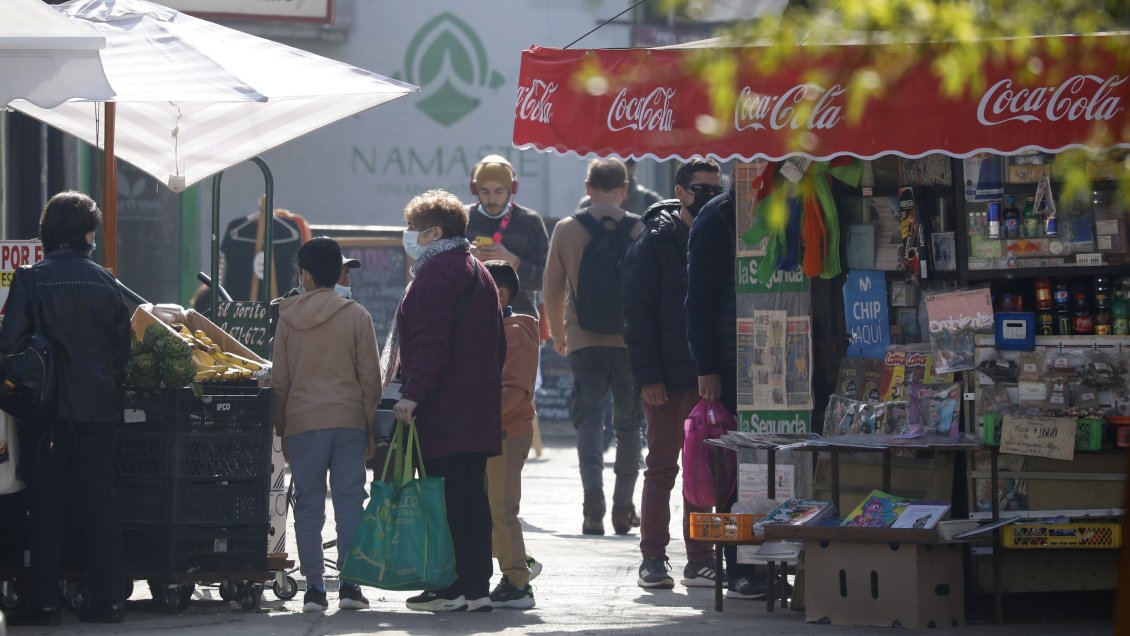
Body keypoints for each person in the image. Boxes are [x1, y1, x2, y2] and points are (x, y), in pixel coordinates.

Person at [1, 192, 131, 626]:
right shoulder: (106, 282)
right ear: (89, 235)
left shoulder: (31, 280)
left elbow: (9, 346)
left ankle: (45, 603)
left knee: (46, 507)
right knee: (100, 504)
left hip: (46, 414)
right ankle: (109, 601)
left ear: (47, 232)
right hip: (99, 412)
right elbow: (121, 351)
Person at [388, 189, 505, 613]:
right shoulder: (476, 269)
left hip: (446, 411)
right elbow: (497, 344)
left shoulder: (436, 274)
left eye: (414, 230)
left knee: (449, 501)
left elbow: (429, 341)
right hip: (475, 409)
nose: (409, 236)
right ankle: (476, 588)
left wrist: (412, 394)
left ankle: (456, 586)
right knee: (470, 499)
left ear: (434, 231)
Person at [622, 159, 724, 589]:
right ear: (681, 191)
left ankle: (700, 557)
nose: (710, 196)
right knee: (662, 468)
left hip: (709, 377)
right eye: (702, 188)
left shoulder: (720, 231)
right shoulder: (654, 242)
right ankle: (653, 558)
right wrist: (649, 377)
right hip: (665, 378)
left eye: (716, 189)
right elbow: (636, 317)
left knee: (703, 471)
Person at [271, 237, 381, 613]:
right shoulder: (357, 316)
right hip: (348, 422)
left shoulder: (287, 317)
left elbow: (280, 381)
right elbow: (371, 380)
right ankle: (350, 586)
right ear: (339, 273)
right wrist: (368, 428)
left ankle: (314, 590)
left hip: (302, 424)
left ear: (303, 274)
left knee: (308, 506)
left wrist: (283, 427)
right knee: (351, 502)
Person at [543, 158, 644, 536]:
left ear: (588, 187)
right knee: (629, 425)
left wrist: (558, 334)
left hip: (582, 338)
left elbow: (552, 288)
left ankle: (592, 505)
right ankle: (622, 507)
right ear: (625, 189)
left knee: (589, 421)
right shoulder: (638, 228)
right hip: (629, 342)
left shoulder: (568, 229)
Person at [686, 173, 766, 600]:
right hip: (730, 365)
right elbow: (697, 299)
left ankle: (770, 560)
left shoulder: (785, 211)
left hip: (776, 363)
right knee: (735, 474)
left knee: (774, 468)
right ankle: (737, 566)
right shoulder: (717, 218)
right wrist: (707, 367)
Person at [482, 260, 542, 609]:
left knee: (502, 510)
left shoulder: (515, 331)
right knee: (488, 510)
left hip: (505, 431)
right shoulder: (494, 327)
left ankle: (518, 583)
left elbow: (515, 391)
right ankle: (520, 562)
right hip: (492, 431)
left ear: (500, 293)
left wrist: (478, 419)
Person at [465, 154, 549, 318]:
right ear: (475, 190)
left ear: (512, 190)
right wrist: (466, 260)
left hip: (520, 320)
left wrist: (514, 262)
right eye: (485, 191)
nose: (491, 199)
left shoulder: (530, 221)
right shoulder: (461, 218)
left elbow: (543, 280)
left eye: (499, 191)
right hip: (470, 317)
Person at [577, 158, 663, 215]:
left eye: (617, 169)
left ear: (633, 168)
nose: (609, 173)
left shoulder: (650, 201)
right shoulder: (587, 204)